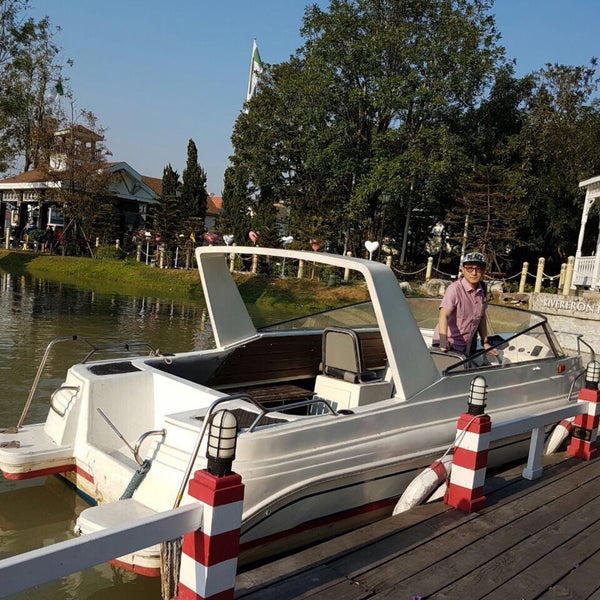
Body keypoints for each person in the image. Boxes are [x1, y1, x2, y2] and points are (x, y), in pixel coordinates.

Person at [432, 251, 497, 357]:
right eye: (469, 268)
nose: (474, 273)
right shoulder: (454, 289)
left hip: (468, 344)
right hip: (449, 345)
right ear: (463, 270)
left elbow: (481, 317)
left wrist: (485, 342)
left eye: (478, 269)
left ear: (484, 271)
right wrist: (443, 341)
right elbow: (443, 315)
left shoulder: (483, 289)